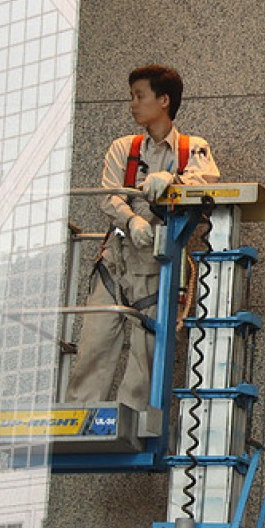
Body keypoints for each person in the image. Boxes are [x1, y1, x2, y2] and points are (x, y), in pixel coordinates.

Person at [65, 64, 219, 411]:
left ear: (163, 100)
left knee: (147, 349)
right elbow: (109, 194)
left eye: (140, 96)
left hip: (156, 263)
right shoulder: (124, 148)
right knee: (95, 341)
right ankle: (80, 415)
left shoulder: (192, 149)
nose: (133, 104)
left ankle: (131, 418)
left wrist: (172, 180)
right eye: (132, 96)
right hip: (117, 258)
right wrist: (132, 219)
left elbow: (209, 182)